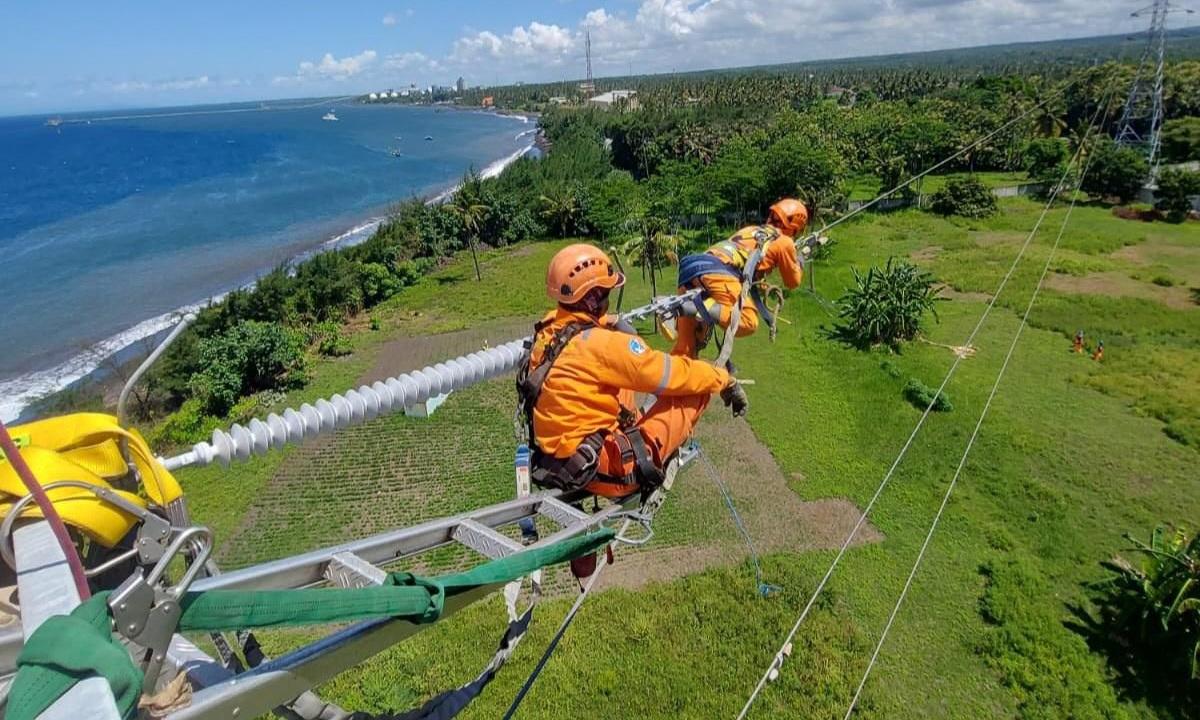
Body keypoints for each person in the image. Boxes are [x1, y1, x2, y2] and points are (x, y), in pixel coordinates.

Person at [518, 243, 748, 498]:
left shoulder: (548, 330)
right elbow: (671, 376)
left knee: (620, 383)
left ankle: (628, 429)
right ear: (592, 297)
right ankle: (640, 452)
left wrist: (610, 321)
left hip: (562, 461)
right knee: (698, 385)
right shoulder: (604, 345)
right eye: (605, 293)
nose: (607, 299)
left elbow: (585, 331)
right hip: (606, 472)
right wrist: (724, 379)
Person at [672, 198, 810, 357]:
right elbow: (793, 282)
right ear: (795, 227)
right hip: (718, 271)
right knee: (747, 321)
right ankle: (696, 306)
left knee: (686, 348)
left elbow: (748, 265)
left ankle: (685, 308)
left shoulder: (752, 230)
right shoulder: (784, 242)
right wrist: (799, 260)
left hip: (691, 268)